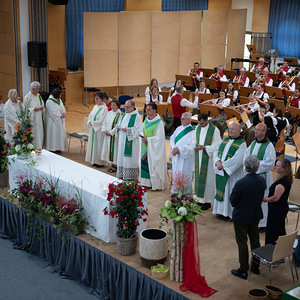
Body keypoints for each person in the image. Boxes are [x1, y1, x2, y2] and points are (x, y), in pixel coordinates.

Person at [230, 155, 265, 280]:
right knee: (255, 240)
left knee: (242, 242)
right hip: (255, 215)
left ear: (245, 167)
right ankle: (255, 266)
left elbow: (233, 200)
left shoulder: (241, 183)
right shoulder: (261, 180)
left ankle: (243, 269)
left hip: (242, 217)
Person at [244, 123, 276, 228]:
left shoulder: (269, 146)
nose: (255, 131)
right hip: (252, 176)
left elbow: (270, 163)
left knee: (262, 199)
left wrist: (254, 167)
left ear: (264, 132)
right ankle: (253, 221)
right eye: (255, 129)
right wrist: (248, 167)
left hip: (263, 177)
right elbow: (246, 157)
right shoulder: (253, 143)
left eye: (258, 130)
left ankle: (263, 223)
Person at [213, 123, 246, 219]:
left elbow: (238, 159)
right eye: (229, 129)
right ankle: (220, 211)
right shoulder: (225, 140)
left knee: (230, 191)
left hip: (232, 174)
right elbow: (216, 151)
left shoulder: (242, 143)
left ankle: (230, 213)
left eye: (233, 129)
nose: (230, 131)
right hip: (220, 170)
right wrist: (217, 161)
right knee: (222, 191)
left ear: (239, 131)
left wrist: (223, 165)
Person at [193, 113, 221, 210]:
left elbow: (217, 145)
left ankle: (208, 201)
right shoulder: (198, 128)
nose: (200, 125)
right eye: (199, 123)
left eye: (202, 123)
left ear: (207, 120)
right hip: (198, 156)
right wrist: (194, 145)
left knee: (208, 179)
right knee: (198, 178)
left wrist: (205, 147)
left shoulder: (214, 130)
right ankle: (199, 199)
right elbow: (193, 139)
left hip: (208, 158)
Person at [263, 158, 293, 245]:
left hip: (277, 210)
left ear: (284, 168)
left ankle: (271, 251)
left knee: (273, 232)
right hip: (280, 208)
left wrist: (266, 199)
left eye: (278, 166)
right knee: (279, 230)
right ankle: (281, 250)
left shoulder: (282, 183)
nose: (275, 167)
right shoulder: (286, 179)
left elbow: (275, 198)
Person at [140, 102, 167, 190]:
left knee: (152, 164)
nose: (147, 111)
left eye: (149, 110)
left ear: (155, 110)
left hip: (153, 149)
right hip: (145, 147)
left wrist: (148, 139)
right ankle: (145, 182)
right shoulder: (146, 120)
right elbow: (142, 129)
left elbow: (159, 138)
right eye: (146, 109)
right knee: (144, 163)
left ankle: (154, 184)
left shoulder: (159, 122)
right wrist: (142, 136)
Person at [116, 99, 142, 180]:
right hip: (122, 140)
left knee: (129, 159)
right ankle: (122, 174)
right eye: (125, 107)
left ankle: (131, 176)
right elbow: (120, 123)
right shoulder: (124, 115)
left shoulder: (137, 117)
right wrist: (118, 128)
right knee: (122, 156)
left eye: (127, 107)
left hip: (131, 142)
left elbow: (138, 130)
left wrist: (127, 130)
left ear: (133, 107)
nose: (126, 109)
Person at [170, 112, 195, 193]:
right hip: (176, 155)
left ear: (189, 120)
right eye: (181, 118)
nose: (181, 120)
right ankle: (175, 191)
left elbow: (190, 144)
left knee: (185, 173)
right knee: (175, 172)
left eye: (183, 118)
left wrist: (179, 150)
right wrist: (174, 148)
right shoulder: (178, 128)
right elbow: (172, 138)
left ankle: (185, 193)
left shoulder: (192, 131)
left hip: (185, 157)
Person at [85, 92, 108, 167]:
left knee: (99, 145)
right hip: (93, 129)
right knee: (93, 145)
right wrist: (89, 121)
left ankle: (100, 162)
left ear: (102, 99)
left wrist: (93, 123)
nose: (96, 100)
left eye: (97, 98)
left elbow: (102, 120)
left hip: (99, 130)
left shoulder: (104, 108)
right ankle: (94, 160)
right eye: (95, 98)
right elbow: (90, 116)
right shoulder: (95, 107)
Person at [101, 99, 122, 173]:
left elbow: (118, 125)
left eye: (114, 105)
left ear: (118, 106)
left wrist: (111, 132)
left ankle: (115, 165)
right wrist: (104, 130)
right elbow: (104, 122)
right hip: (107, 135)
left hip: (114, 136)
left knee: (114, 150)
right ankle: (111, 164)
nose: (112, 106)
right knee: (108, 149)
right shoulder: (109, 113)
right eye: (111, 105)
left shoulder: (119, 114)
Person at [23, 81, 44, 149]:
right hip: (33, 119)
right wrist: (33, 109)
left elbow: (42, 103)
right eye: (38, 88)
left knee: (40, 133)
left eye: (39, 88)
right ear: (33, 89)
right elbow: (25, 109)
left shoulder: (39, 96)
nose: (39, 90)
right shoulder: (27, 97)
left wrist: (42, 107)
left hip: (39, 118)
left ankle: (40, 147)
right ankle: (33, 148)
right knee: (35, 134)